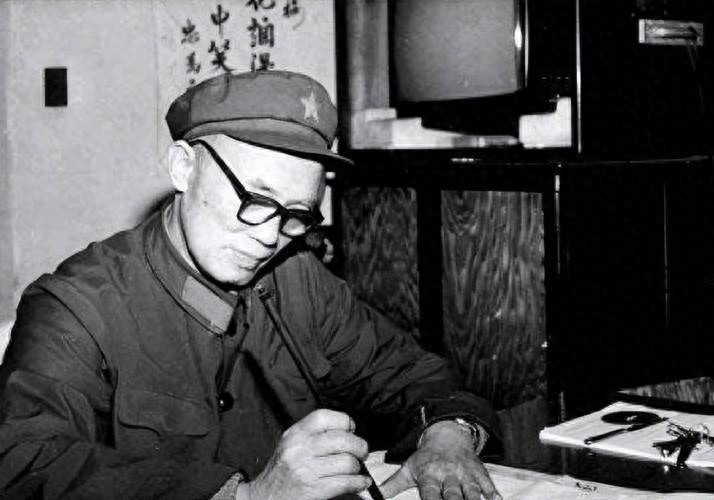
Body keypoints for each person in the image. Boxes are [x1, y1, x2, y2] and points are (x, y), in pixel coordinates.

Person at [0, 70, 502, 500]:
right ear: (183, 167)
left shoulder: (298, 277)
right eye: (256, 199)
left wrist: (448, 435)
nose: (268, 237)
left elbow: (411, 374)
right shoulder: (77, 306)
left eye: (295, 213)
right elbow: (24, 464)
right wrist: (247, 497)